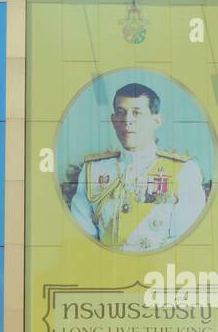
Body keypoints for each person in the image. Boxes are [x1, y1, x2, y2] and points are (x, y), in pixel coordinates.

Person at [67, 82, 207, 252]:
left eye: (137, 113)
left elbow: (186, 241)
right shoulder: (93, 171)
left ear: (155, 121)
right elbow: (82, 239)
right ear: (113, 120)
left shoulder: (184, 171)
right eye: (121, 113)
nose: (127, 121)